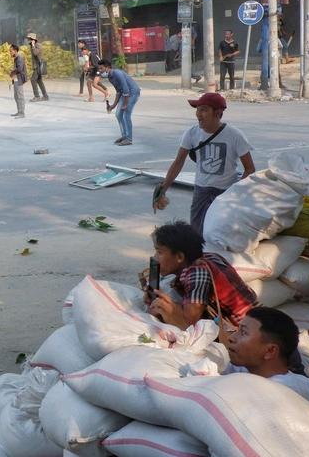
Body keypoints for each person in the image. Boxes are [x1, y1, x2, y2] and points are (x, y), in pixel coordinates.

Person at [156, 93, 255, 234]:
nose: (198, 114)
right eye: (197, 110)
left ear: (218, 113)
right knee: (197, 233)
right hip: (200, 192)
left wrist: (236, 194)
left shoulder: (235, 135)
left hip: (225, 192)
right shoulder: (192, 133)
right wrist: (162, 191)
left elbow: (250, 169)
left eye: (204, 110)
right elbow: (178, 162)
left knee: (220, 233)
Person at [145, 220, 259, 330]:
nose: (155, 257)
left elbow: (187, 322)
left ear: (179, 257)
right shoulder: (210, 257)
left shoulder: (198, 273)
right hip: (256, 321)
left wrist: (163, 305)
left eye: (159, 252)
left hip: (246, 332)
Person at [222, 307, 309, 412]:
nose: (231, 337)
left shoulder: (287, 389)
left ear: (270, 351)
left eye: (243, 332)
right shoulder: (247, 371)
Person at [101, 60, 140, 146]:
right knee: (118, 114)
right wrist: (113, 106)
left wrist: (125, 104)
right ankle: (124, 136)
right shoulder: (110, 77)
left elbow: (126, 90)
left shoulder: (117, 74)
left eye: (102, 68)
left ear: (108, 68)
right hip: (125, 94)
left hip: (133, 93)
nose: (100, 71)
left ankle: (129, 139)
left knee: (126, 115)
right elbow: (119, 91)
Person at [27, 33, 49, 102]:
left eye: (30, 39)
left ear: (33, 40)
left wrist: (33, 45)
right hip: (36, 65)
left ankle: (37, 96)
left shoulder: (38, 45)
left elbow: (35, 53)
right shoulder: (33, 46)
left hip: (38, 65)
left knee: (33, 79)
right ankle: (45, 96)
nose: (29, 41)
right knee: (39, 81)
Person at [8, 43, 27, 119]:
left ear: (15, 50)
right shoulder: (16, 58)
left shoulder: (20, 58)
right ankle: (19, 111)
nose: (10, 52)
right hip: (16, 79)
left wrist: (12, 72)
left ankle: (22, 113)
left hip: (19, 79)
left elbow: (19, 68)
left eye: (11, 51)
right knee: (16, 96)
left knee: (20, 96)